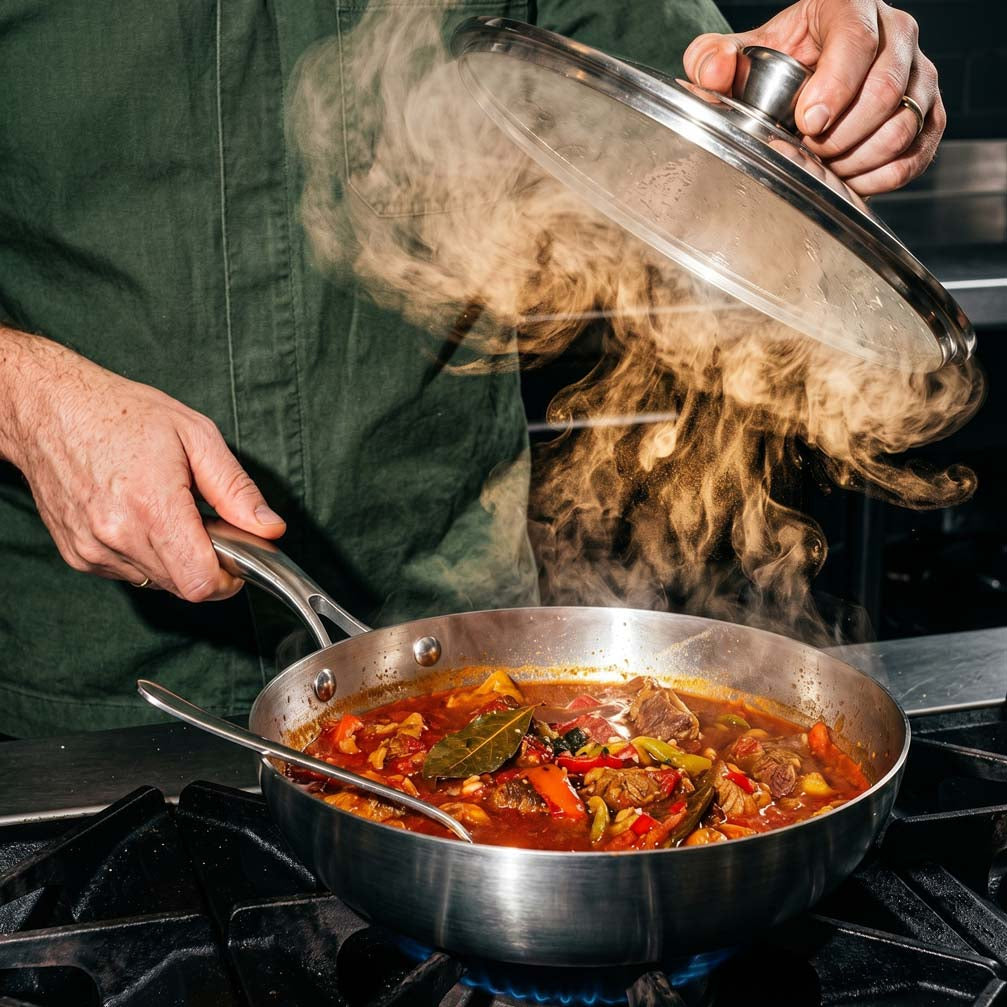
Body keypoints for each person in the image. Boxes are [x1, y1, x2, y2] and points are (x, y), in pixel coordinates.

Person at [0, 0, 944, 737]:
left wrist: (816, 82)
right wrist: (25, 397)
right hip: (88, 676)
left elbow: (678, 106)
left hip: (457, 632)